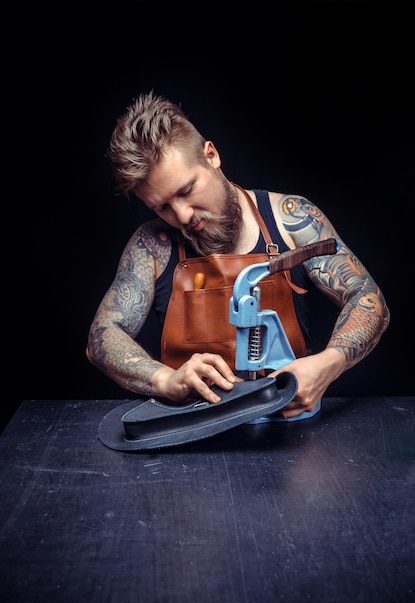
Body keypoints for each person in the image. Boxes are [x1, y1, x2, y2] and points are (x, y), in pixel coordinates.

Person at [86, 91, 390, 419]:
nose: (183, 215)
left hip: (289, 433)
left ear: (211, 155)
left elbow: (368, 297)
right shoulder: (152, 245)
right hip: (189, 435)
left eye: (186, 190)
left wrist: (328, 364)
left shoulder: (292, 221)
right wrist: (162, 379)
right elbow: (103, 336)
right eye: (162, 206)